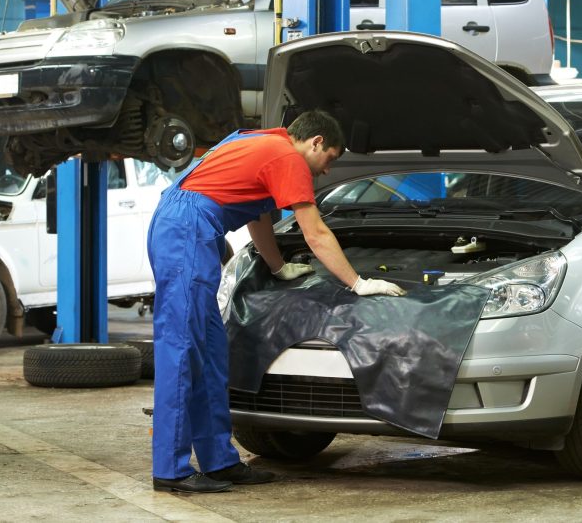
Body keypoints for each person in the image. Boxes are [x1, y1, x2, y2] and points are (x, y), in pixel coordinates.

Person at [147, 109, 406, 494]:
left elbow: (259, 218)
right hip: (186, 230)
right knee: (183, 351)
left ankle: (219, 462)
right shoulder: (288, 157)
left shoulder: (259, 141)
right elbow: (315, 231)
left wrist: (278, 266)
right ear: (316, 142)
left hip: (188, 225)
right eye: (329, 160)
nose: (324, 172)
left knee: (213, 354)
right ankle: (170, 470)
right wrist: (358, 282)